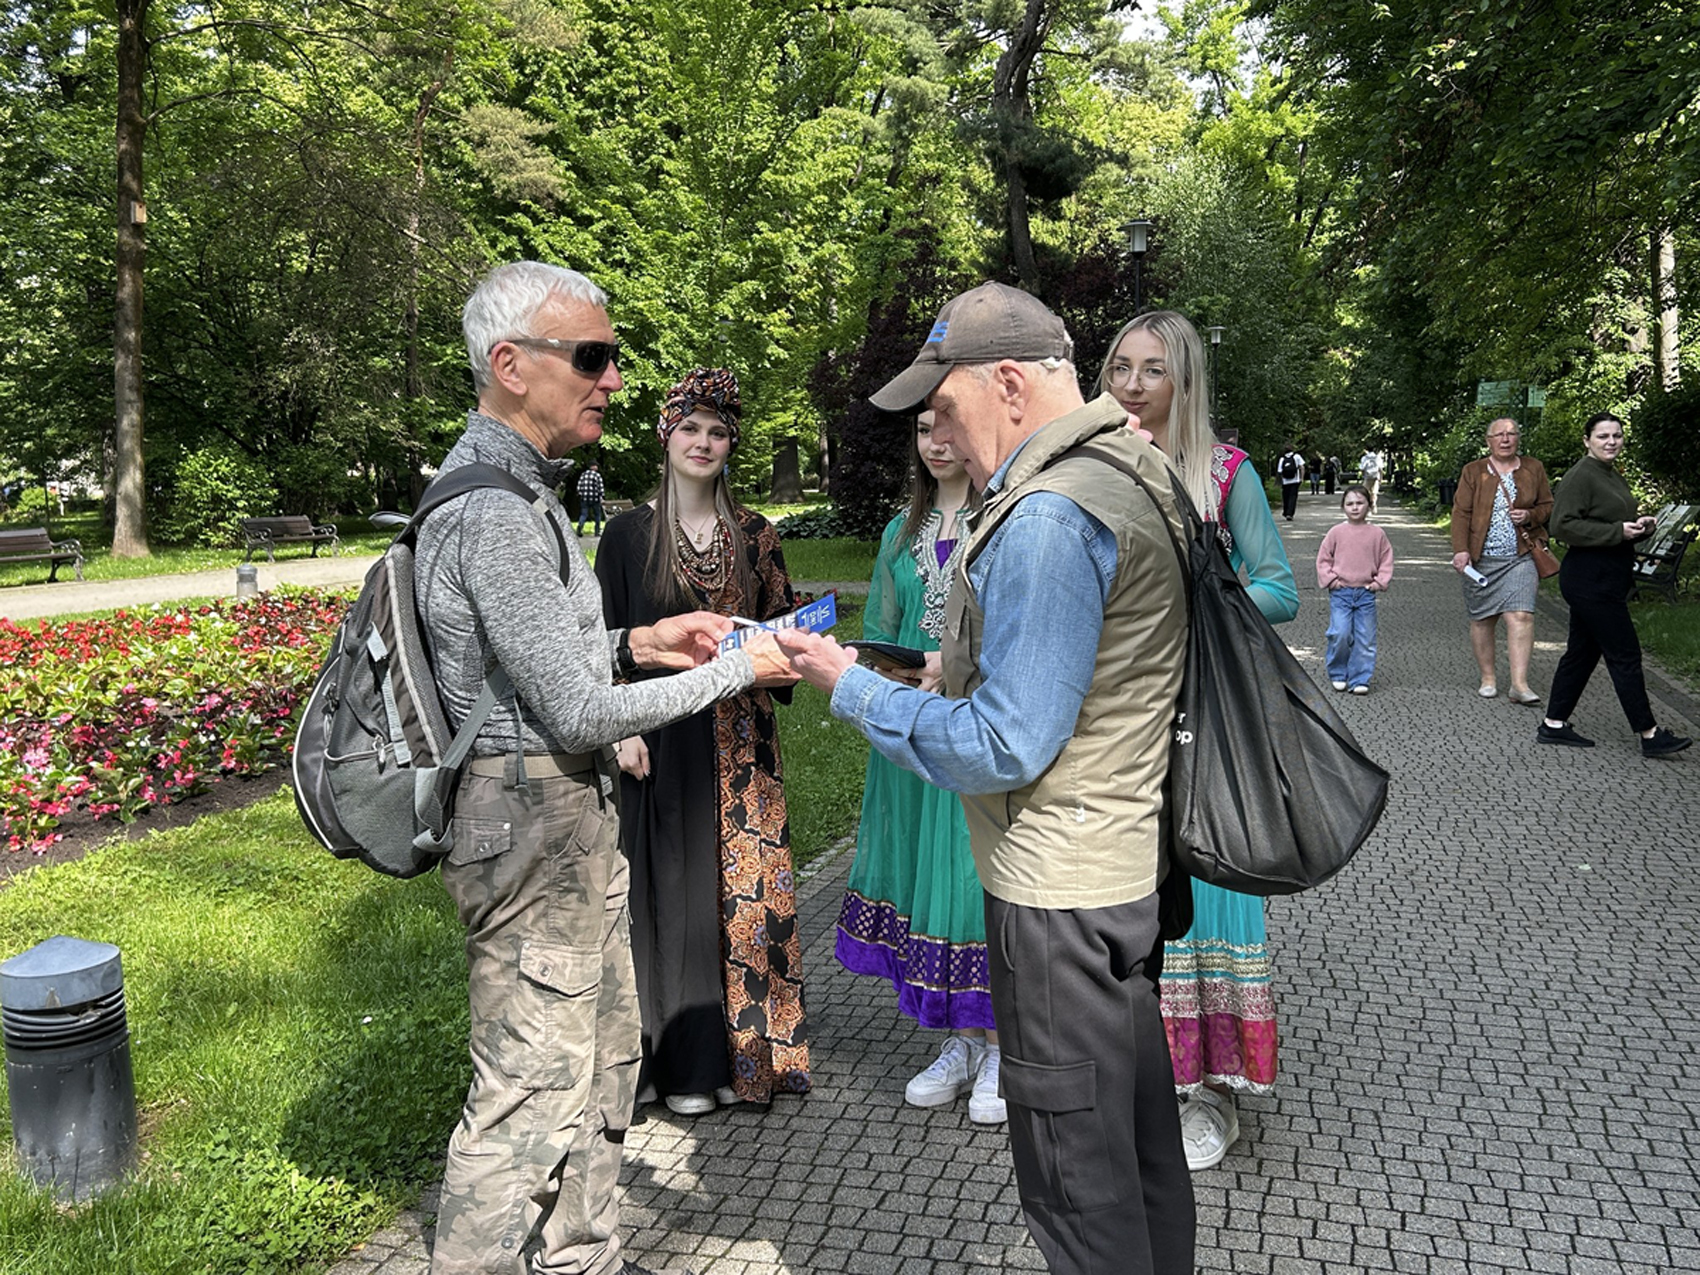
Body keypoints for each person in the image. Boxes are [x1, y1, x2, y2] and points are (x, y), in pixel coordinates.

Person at [779, 281, 1196, 1275]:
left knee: (1077, 1183)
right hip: (1119, 870)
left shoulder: (1050, 513)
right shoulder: (1130, 465)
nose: (943, 437)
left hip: (1058, 901)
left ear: (1007, 384)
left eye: (946, 406)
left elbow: (1007, 745)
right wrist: (952, 668)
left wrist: (850, 686)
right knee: (1136, 1154)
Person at [416, 261, 792, 1275]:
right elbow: (574, 712)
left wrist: (640, 641)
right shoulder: (493, 510)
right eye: (591, 357)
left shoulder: (522, 490)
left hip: (567, 818)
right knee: (527, 1095)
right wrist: (735, 667)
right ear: (510, 366)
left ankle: (580, 1254)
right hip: (528, 822)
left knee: (602, 1060)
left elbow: (539, 660)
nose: (614, 380)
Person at [1097, 309, 1298, 1173]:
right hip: (1113, 719)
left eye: (1153, 368)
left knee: (1205, 891)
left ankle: (1209, 1089)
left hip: (1204, 722)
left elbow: (1280, 588)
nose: (1132, 384)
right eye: (1119, 366)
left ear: (1185, 379)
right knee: (1122, 894)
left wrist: (1203, 606)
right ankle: (1141, 1076)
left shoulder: (1225, 473)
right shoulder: (1095, 467)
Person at [595, 367, 810, 1117]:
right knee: (674, 900)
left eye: (718, 432)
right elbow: (602, 641)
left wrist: (801, 643)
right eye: (690, 428)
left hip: (743, 742)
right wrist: (620, 727)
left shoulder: (755, 534)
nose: (704, 442)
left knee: (746, 899)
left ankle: (749, 1062)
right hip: (661, 738)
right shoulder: (628, 535)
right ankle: (679, 1068)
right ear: (666, 436)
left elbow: (782, 633)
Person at [833, 410, 1002, 1122]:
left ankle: (1003, 1045)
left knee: (969, 877)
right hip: (913, 730)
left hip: (973, 722)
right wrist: (883, 672)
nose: (936, 442)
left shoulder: (1003, 518)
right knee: (928, 882)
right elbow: (882, 626)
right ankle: (960, 1039)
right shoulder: (899, 534)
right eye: (924, 429)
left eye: (947, 426)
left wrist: (953, 669)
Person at [1539, 412, 1691, 757]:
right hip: (1590, 579)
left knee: (1582, 653)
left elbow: (1607, 520)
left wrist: (1638, 526)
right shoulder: (1581, 475)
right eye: (1603, 436)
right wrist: (1616, 532)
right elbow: (1561, 525)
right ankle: (1650, 734)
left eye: (1617, 436)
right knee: (1625, 654)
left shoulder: (1609, 473)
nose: (1611, 442)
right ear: (1587, 440)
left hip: (1607, 575)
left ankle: (1553, 724)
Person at [1449, 416, 1553, 705]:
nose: (1505, 439)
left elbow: (1547, 505)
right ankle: (1488, 678)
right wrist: (1461, 549)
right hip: (1480, 558)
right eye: (1499, 435)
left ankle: (1519, 684)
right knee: (1483, 618)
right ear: (1489, 441)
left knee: (1521, 615)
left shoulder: (1533, 468)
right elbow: (1461, 512)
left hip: (1521, 555)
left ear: (1518, 438)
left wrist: (1530, 515)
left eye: (1511, 434)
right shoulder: (1473, 471)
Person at [1316, 485, 1394, 694]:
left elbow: (1386, 560)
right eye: (1350, 503)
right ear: (1343, 507)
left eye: (1360, 503)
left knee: (1365, 637)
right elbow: (1323, 559)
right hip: (1341, 592)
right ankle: (1338, 672)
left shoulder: (1377, 534)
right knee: (1340, 633)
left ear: (1369, 505)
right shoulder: (1336, 532)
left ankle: (1360, 678)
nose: (1355, 507)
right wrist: (1331, 580)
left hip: (1365, 593)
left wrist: (1379, 582)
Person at [1275, 442, 1305, 520]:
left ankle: (1285, 512)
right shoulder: (1297, 456)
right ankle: (1290, 513)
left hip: (1285, 481)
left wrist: (1280, 481)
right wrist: (1301, 478)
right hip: (1295, 480)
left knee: (1286, 497)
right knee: (1293, 497)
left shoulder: (1282, 459)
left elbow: (1279, 471)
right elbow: (1302, 467)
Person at [576, 459, 606, 536]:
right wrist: (602, 497)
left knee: (584, 514)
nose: (597, 467)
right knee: (597, 515)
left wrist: (580, 494)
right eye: (596, 465)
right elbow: (600, 487)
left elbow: (579, 487)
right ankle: (597, 531)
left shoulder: (583, 474)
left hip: (584, 498)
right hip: (595, 498)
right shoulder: (597, 475)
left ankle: (580, 527)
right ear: (593, 466)